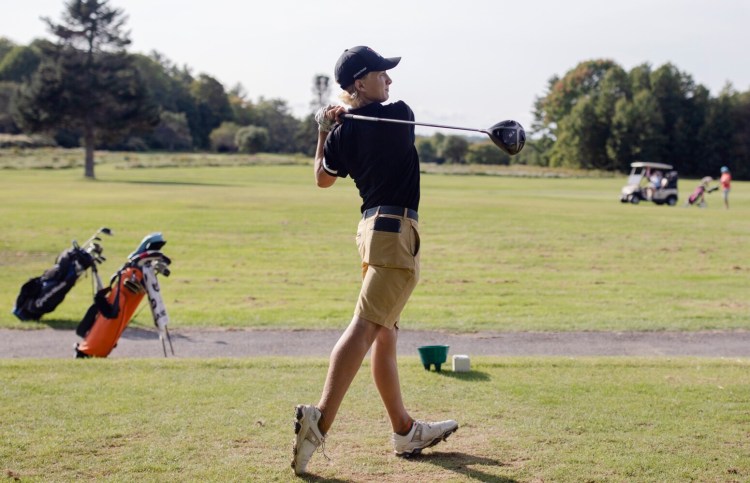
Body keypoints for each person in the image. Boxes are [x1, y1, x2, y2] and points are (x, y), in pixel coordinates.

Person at [291, 46, 458, 475]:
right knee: (367, 327)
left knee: (385, 333)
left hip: (369, 233)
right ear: (360, 82)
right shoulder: (400, 113)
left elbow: (322, 179)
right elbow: (329, 177)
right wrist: (340, 122)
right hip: (395, 234)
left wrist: (325, 131)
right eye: (382, 73)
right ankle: (319, 422)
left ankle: (404, 430)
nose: (390, 80)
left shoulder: (344, 132)